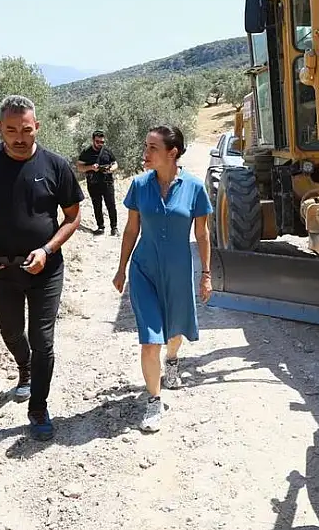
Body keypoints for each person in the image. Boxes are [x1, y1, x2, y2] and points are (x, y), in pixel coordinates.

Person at [0, 94, 84, 441]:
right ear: (0, 128)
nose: (18, 136)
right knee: (12, 333)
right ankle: (24, 369)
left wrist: (47, 249)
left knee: (44, 340)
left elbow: (72, 217)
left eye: (25, 129)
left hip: (46, 269)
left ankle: (38, 407)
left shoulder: (56, 166)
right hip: (0, 270)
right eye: (10, 129)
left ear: (36, 128)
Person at [112, 124, 213, 433]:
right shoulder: (139, 186)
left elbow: (202, 233)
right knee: (150, 339)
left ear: (172, 153)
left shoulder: (195, 188)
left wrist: (206, 274)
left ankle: (173, 360)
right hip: (143, 270)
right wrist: (121, 268)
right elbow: (131, 230)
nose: (146, 152)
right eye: (147, 146)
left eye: (152, 147)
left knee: (174, 330)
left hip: (179, 270)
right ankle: (154, 401)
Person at [75, 130, 119, 236]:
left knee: (111, 205)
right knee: (97, 205)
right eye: (98, 141)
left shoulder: (107, 151)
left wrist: (111, 169)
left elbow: (115, 163)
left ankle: (114, 227)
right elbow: (79, 167)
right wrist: (90, 167)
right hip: (93, 183)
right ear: (93, 140)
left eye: (102, 142)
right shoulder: (86, 152)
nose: (100, 144)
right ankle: (100, 227)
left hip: (107, 182)